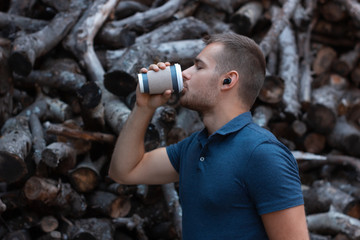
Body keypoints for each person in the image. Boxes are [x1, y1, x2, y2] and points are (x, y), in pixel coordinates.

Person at [109, 32, 309, 239]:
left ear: (227, 80)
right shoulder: (193, 147)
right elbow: (125, 171)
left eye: (198, 66)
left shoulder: (263, 154)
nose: (185, 73)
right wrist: (143, 108)